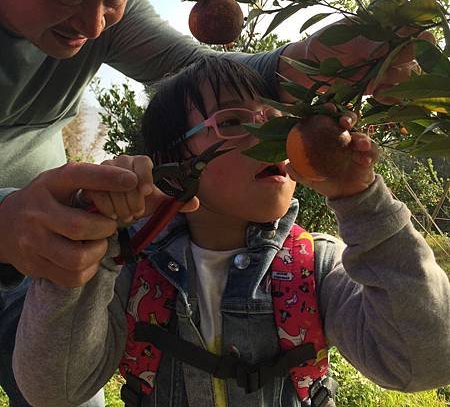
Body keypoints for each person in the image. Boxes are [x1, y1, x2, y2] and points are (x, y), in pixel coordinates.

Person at [0, 0, 427, 406]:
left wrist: (300, 63)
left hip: (49, 237)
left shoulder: (309, 263)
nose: (96, 25)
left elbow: (196, 71)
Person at [12, 55, 450, 407]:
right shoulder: (130, 272)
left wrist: (364, 201)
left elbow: (425, 361)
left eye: (280, 121)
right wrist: (88, 239)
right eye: (236, 123)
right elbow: (54, 391)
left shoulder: (315, 266)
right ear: (174, 159)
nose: (272, 141)